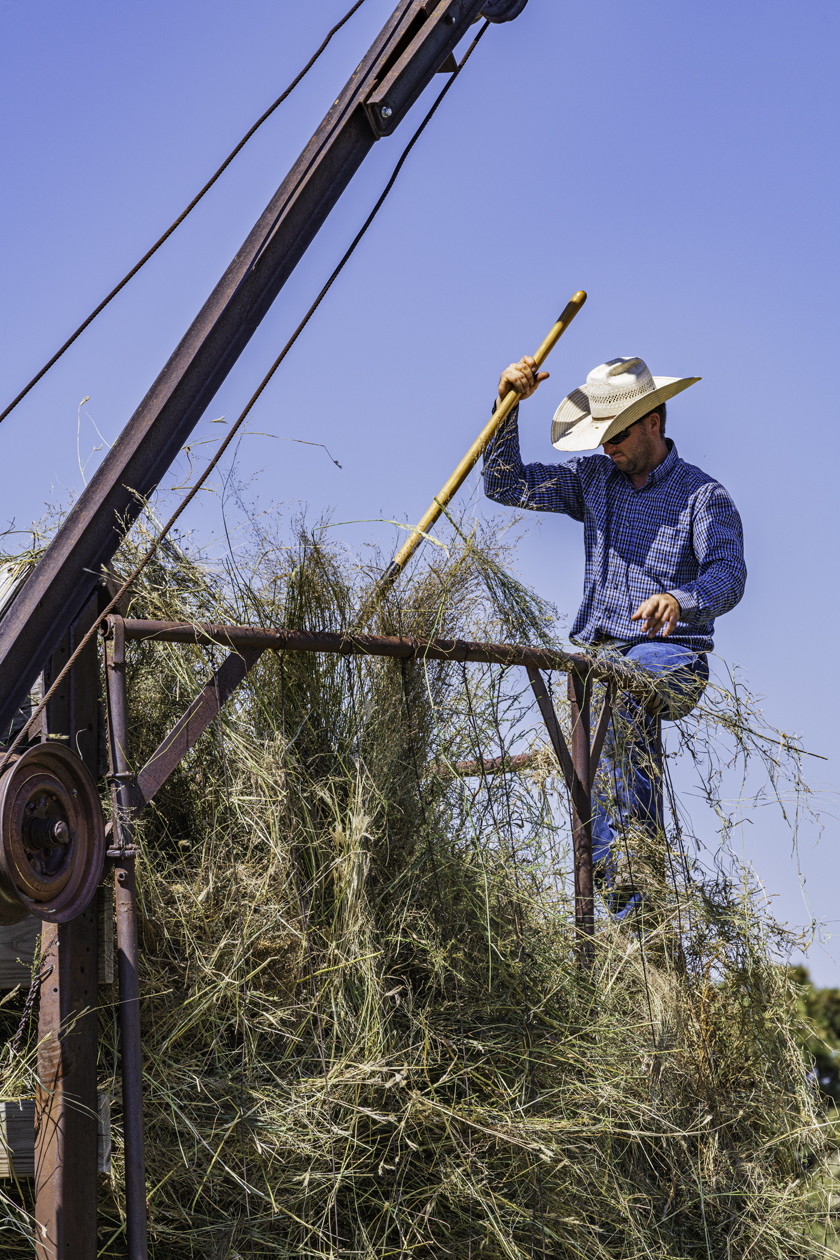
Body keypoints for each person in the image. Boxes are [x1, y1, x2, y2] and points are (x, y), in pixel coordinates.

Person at [483, 354, 746, 913]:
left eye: (617, 434)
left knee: (620, 687)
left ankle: (639, 856)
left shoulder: (704, 497)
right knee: (593, 770)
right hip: (600, 663)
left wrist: (680, 599)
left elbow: (728, 576)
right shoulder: (595, 482)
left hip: (672, 660)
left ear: (653, 420)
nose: (607, 448)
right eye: (600, 436)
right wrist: (506, 408)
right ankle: (629, 903)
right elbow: (505, 484)